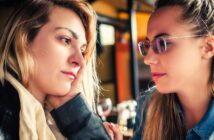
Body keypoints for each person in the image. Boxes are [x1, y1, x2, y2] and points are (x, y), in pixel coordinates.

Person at [0, 0, 117, 139]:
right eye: (66, 40)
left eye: (82, 50)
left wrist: (76, 114)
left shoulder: (54, 125)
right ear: (24, 39)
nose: (80, 61)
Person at [133, 0, 214, 140]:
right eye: (148, 45)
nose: (148, 59)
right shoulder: (149, 105)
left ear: (208, 47)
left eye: (162, 43)